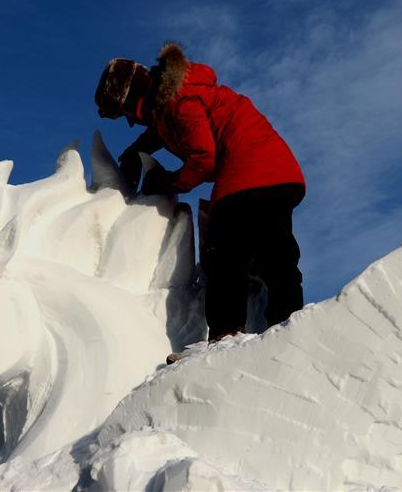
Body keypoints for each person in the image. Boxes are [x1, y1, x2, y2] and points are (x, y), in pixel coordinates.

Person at [95, 42, 306, 354]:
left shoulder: (180, 104)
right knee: (275, 255)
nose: (130, 121)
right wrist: (135, 151)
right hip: (280, 174)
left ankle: (225, 337)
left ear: (133, 99)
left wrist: (169, 181)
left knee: (226, 254)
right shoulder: (177, 100)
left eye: (125, 113)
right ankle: (290, 328)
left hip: (250, 173)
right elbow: (161, 131)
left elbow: (203, 159)